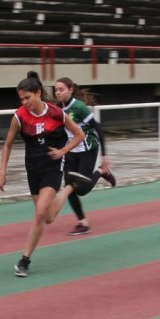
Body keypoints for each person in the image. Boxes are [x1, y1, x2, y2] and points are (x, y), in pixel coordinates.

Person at [0, 71, 91, 277]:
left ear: (38, 93)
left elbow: (79, 134)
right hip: (33, 170)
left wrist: (63, 151)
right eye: (21, 99)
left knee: (39, 213)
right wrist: (2, 171)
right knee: (47, 217)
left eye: (27, 97)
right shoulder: (19, 116)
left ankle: (24, 260)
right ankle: (69, 187)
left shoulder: (56, 113)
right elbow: (8, 144)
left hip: (52, 168)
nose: (25, 102)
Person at [54, 77, 117, 236]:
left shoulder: (79, 108)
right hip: (72, 152)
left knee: (81, 189)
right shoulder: (58, 109)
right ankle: (83, 222)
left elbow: (98, 128)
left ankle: (102, 172)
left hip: (88, 149)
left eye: (61, 89)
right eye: (56, 90)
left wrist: (104, 154)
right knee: (69, 187)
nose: (58, 92)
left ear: (70, 90)